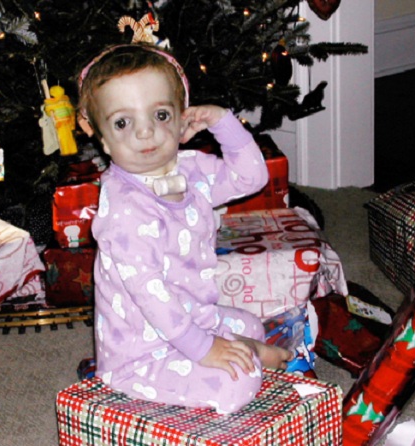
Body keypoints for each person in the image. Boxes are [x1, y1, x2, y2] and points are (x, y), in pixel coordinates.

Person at [77, 43, 292, 414]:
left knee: (252, 327)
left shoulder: (190, 168)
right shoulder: (124, 211)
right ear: (98, 133)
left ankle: (244, 349)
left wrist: (223, 122)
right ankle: (230, 362)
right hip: (141, 352)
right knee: (238, 381)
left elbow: (252, 177)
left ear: (181, 118)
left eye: (160, 115)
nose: (145, 133)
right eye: (123, 122)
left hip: (194, 315)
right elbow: (151, 295)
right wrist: (205, 349)